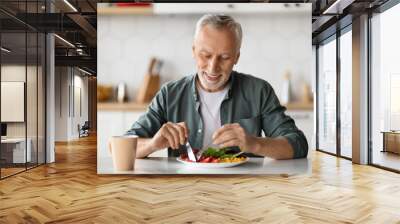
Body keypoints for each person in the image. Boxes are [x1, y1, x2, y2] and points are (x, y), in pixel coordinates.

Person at [126, 14, 308, 160]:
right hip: (182, 190)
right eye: (205, 55)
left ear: (236, 57)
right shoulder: (169, 94)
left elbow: (298, 144)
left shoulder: (259, 91)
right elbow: (120, 145)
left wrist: (254, 143)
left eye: (225, 57)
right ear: (193, 52)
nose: (213, 67)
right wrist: (152, 144)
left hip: (245, 192)